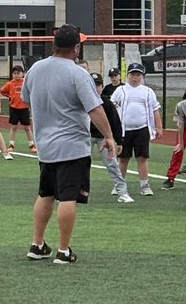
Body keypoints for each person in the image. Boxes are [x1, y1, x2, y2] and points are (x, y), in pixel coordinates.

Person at [21, 24, 116, 264]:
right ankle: (64, 250)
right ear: (76, 48)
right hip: (72, 145)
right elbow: (94, 108)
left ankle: (37, 243)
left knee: (46, 193)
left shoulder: (36, 68)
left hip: (45, 144)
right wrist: (109, 136)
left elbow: (25, 97)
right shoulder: (77, 73)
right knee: (68, 197)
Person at [112, 62, 163, 196]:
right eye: (133, 74)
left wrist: (159, 127)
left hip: (142, 129)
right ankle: (119, 185)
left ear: (142, 76)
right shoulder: (120, 91)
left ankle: (145, 185)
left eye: (138, 75)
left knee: (142, 157)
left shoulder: (147, 91)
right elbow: (112, 109)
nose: (135, 78)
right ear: (127, 75)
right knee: (123, 158)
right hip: (124, 130)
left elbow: (155, 110)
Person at [91, 73, 132, 203]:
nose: (96, 88)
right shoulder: (80, 102)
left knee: (112, 164)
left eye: (98, 85)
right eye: (92, 85)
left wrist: (119, 141)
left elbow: (115, 122)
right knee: (78, 164)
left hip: (104, 138)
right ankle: (71, 192)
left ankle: (122, 192)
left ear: (102, 87)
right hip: (85, 137)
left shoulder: (106, 103)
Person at [162, 81, 186, 189]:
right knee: (177, 151)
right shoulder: (181, 105)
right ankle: (170, 178)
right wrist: (181, 144)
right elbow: (180, 125)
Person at [0, 62, 37, 154]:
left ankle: (31, 145)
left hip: (24, 108)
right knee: (13, 127)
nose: (16, 75)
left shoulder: (25, 83)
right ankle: (11, 145)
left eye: (18, 73)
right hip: (14, 108)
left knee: (27, 128)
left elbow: (31, 91)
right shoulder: (10, 84)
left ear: (23, 74)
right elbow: (2, 91)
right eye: (14, 73)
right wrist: (10, 96)